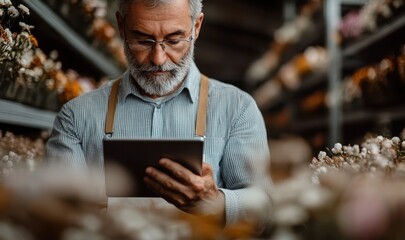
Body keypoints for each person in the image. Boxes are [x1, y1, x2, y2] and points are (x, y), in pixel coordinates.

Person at [45, 0, 273, 232]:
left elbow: (265, 209)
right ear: (121, 27)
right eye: (143, 40)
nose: (158, 58)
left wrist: (216, 202)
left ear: (196, 26)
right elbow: (54, 218)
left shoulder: (238, 109)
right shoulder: (75, 117)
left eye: (174, 40)